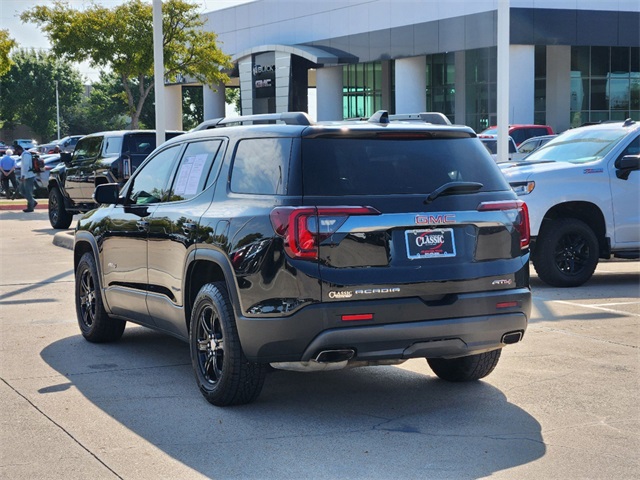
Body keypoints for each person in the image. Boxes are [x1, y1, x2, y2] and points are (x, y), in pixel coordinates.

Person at [14, 144, 37, 213]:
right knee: (22, 191)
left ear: (19, 150)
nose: (16, 153)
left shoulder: (26, 155)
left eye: (17, 151)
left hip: (28, 176)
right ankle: (33, 202)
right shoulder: (24, 155)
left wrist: (23, 176)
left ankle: (30, 207)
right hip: (26, 176)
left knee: (27, 192)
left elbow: (26, 166)